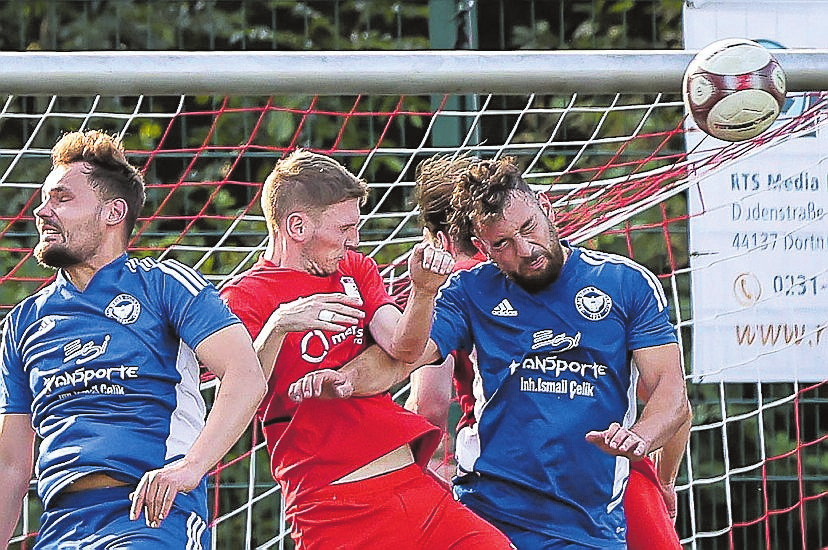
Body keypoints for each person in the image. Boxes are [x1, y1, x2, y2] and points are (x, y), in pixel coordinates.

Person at [290, 156, 692, 549]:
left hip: (589, 523)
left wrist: (640, 438)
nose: (526, 248)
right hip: (489, 516)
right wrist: (349, 378)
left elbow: (671, 394)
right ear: (483, 246)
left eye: (529, 228)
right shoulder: (468, 291)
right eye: (504, 244)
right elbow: (403, 358)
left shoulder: (625, 283)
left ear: (546, 208)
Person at [219, 149, 513, 550]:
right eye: (344, 228)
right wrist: (279, 325)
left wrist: (424, 291)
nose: (354, 240)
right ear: (297, 226)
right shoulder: (246, 296)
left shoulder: (355, 269)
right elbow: (241, 394)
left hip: (413, 486)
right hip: (336, 508)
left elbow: (403, 348)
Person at [0, 130, 267, 549]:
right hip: (60, 527)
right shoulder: (23, 322)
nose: (41, 212)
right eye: (45, 199)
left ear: (113, 212)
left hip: (154, 515)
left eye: (62, 198)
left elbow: (246, 375)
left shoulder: (163, 284)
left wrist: (189, 469)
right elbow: (12, 465)